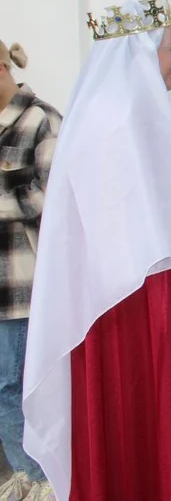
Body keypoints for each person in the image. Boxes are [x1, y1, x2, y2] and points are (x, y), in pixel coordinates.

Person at [23, 0, 171, 501]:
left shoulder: (121, 116)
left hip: (128, 312)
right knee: (141, 427)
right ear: (141, 54)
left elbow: (140, 212)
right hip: (128, 318)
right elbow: (129, 238)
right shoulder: (117, 122)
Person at [0, 41, 61, 501]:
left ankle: (42, 478)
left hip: (22, 284)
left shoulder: (42, 119)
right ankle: (22, 475)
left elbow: (54, 197)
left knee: (19, 384)